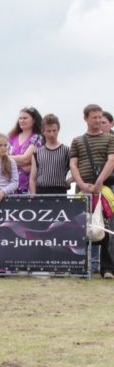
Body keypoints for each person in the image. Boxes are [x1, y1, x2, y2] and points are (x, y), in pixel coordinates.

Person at [69, 104, 114, 279]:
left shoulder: (110, 139)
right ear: (85, 118)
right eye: (94, 117)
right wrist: (81, 183)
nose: (97, 120)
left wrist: (99, 182)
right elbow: (73, 164)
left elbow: (111, 161)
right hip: (83, 188)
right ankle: (81, 265)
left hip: (104, 188)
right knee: (81, 227)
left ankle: (107, 268)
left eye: (99, 117)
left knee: (107, 227)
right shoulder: (78, 140)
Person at [29, 114, 71, 195]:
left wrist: (69, 181)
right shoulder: (37, 153)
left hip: (60, 191)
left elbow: (78, 169)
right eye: (48, 131)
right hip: (41, 192)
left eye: (54, 130)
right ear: (43, 131)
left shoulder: (66, 150)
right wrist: (33, 197)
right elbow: (32, 178)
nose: (52, 134)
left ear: (58, 130)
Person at [8, 106, 44, 194]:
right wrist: (24, 166)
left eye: (25, 118)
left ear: (34, 120)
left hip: (27, 188)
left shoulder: (37, 137)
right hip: (10, 187)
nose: (22, 120)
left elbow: (26, 159)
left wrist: (10, 160)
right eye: (20, 118)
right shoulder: (12, 137)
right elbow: (3, 159)